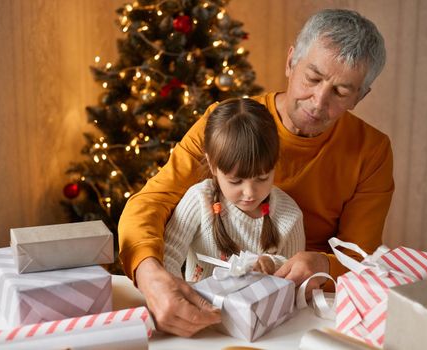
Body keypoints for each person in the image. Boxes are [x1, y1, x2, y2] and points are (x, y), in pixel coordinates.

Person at [118, 8, 394, 337]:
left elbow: (359, 259)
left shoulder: (371, 150)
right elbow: (150, 201)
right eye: (313, 78)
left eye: (341, 92)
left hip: (308, 305)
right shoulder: (225, 125)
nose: (319, 102)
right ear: (291, 61)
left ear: (360, 96)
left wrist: (322, 265)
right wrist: (150, 274)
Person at [163, 98, 305, 282]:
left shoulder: (289, 215)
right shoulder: (199, 200)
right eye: (236, 181)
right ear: (213, 166)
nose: (250, 193)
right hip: (199, 307)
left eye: (262, 178)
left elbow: (294, 278)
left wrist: (273, 263)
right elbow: (168, 258)